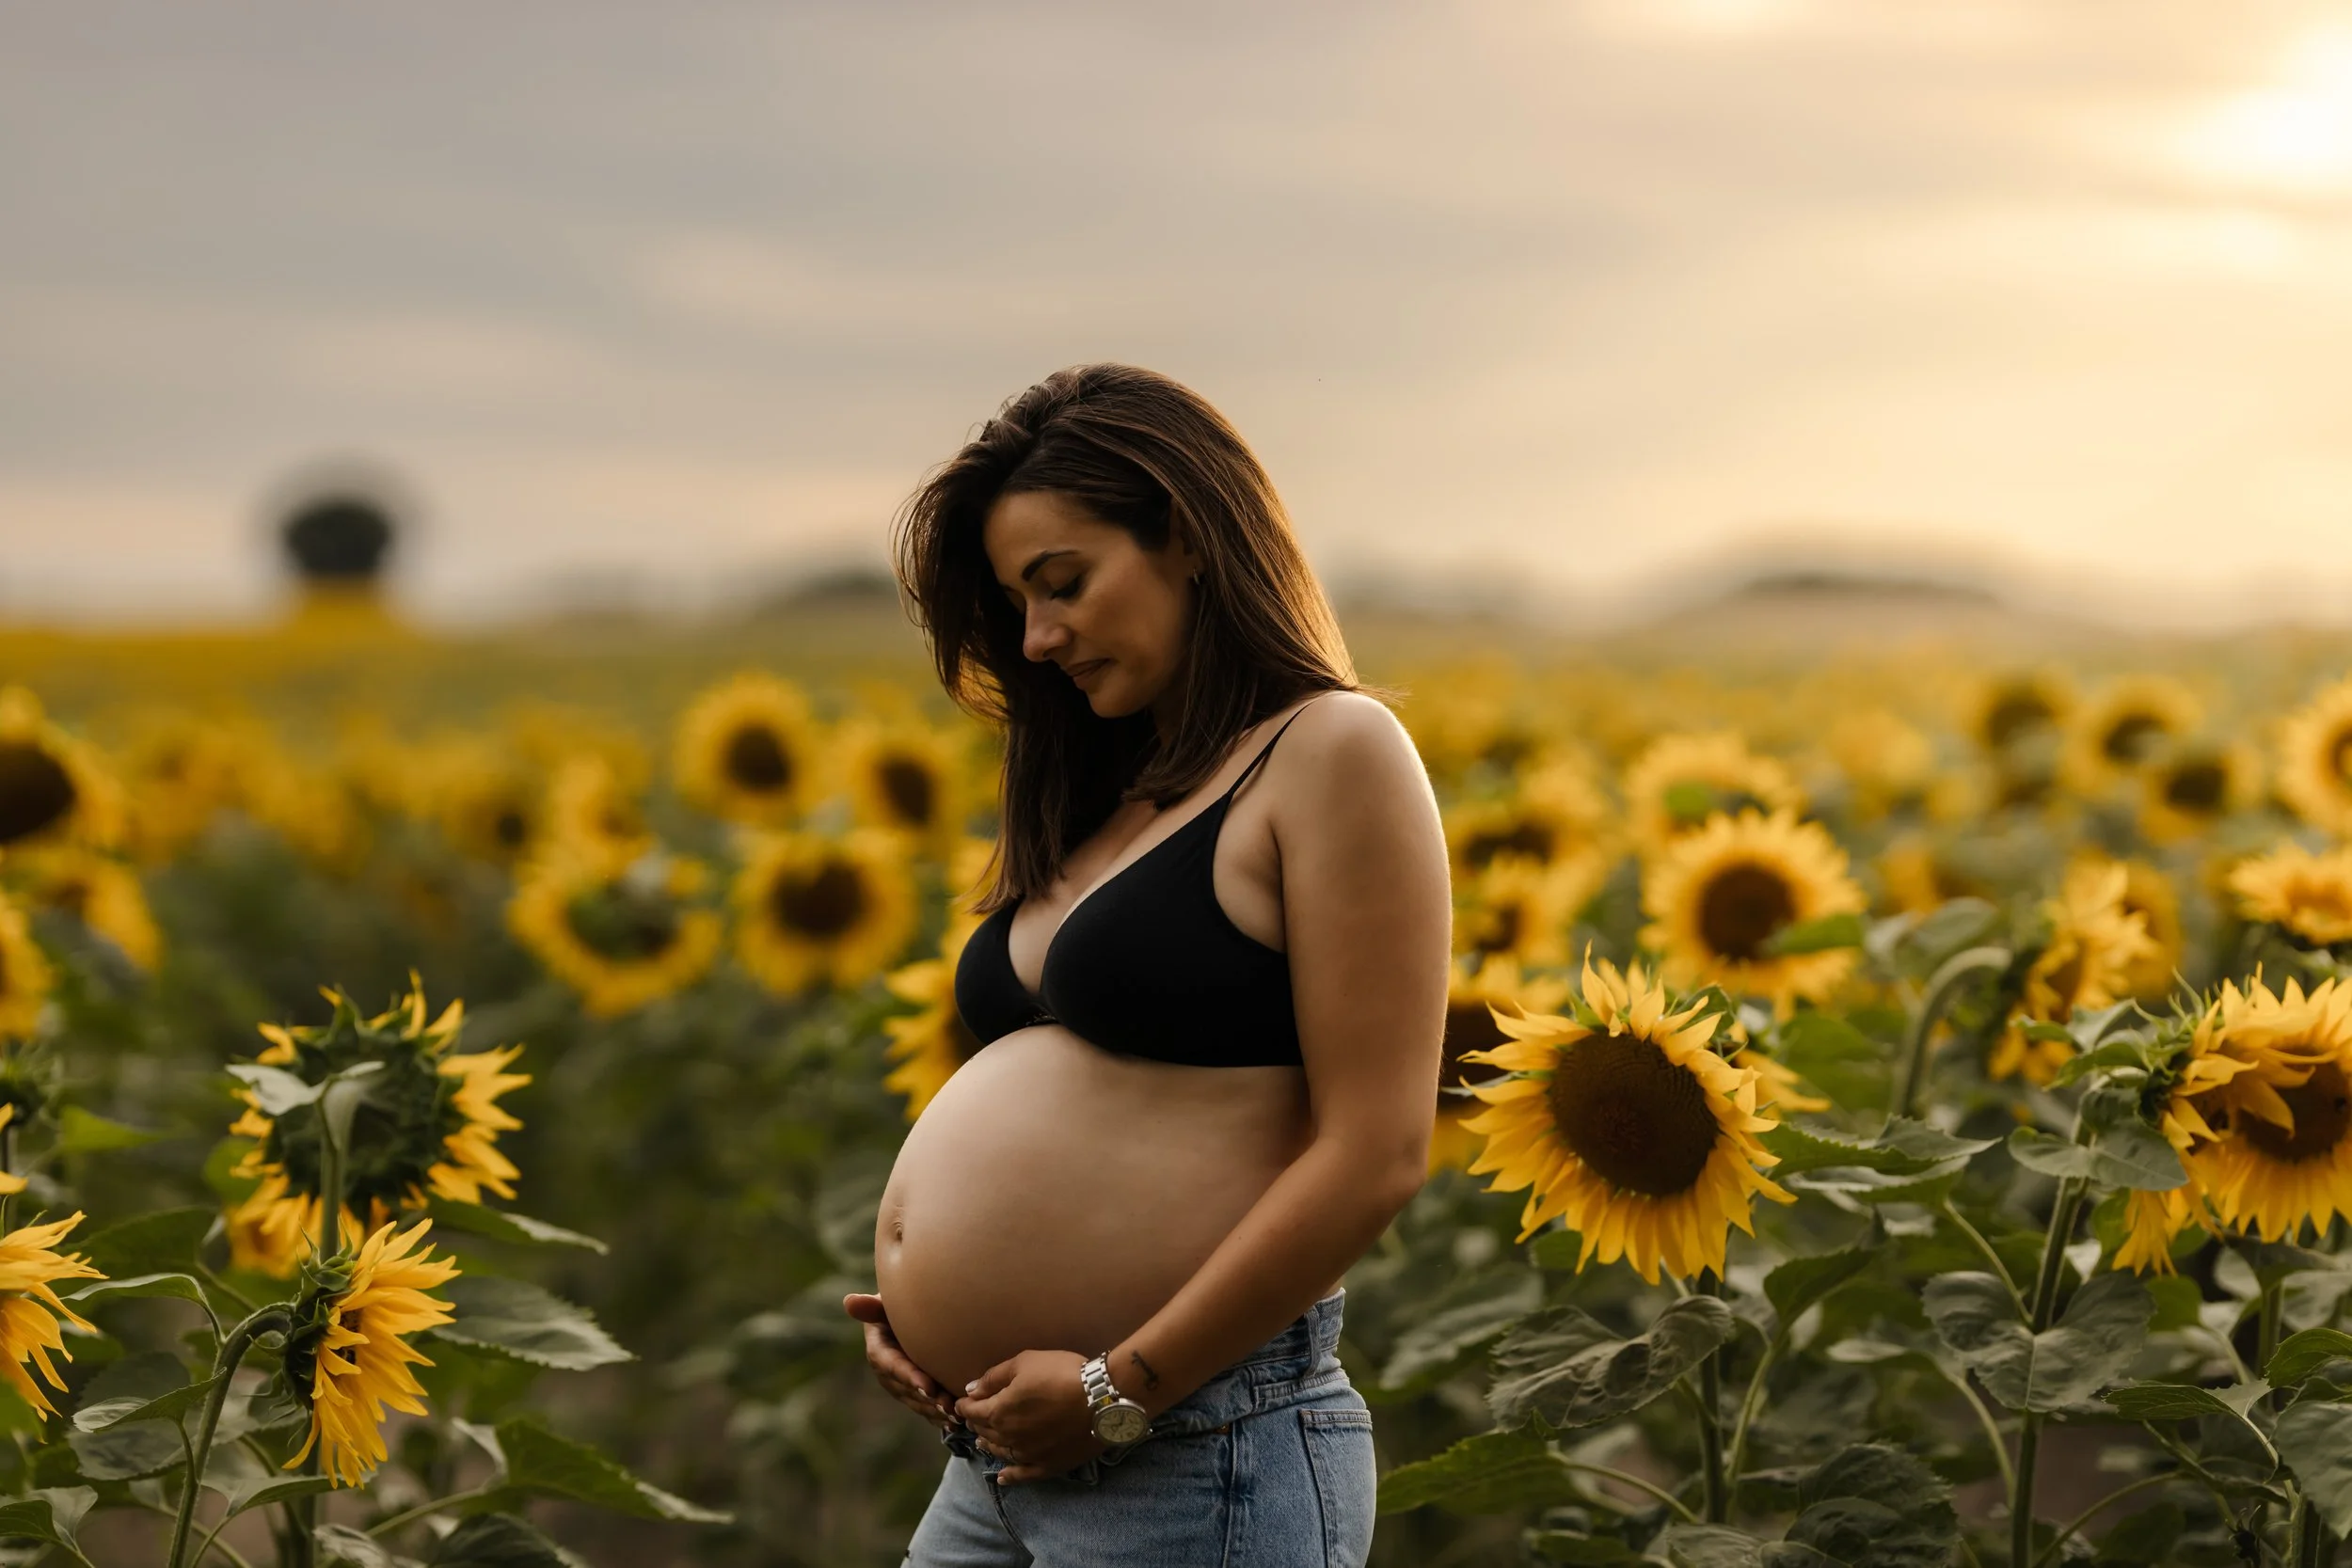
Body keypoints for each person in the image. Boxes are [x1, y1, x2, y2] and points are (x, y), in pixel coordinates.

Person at [846, 363, 1450, 1567]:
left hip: (1196, 1452)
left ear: (1183, 532)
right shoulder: (1111, 795)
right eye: (1017, 604)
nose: (1038, 637)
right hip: (1002, 1458)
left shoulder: (1329, 750)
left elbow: (1376, 1149)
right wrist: (929, 1313)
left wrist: (1122, 1385)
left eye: (1063, 584)